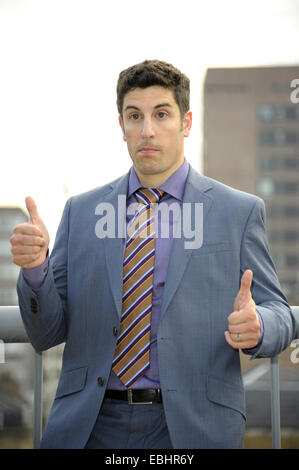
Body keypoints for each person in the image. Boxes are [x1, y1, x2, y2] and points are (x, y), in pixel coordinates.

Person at [11, 59, 295, 449]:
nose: (147, 130)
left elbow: (280, 311)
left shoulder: (238, 212)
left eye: (161, 114)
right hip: (90, 424)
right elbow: (45, 333)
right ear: (122, 127)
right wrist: (35, 271)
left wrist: (260, 325)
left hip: (193, 424)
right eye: (134, 116)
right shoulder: (81, 213)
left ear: (186, 122)